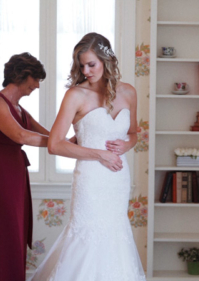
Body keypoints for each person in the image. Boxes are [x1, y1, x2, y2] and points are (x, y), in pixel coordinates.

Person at [28, 33, 146, 281]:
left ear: (106, 60)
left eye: (91, 64)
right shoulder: (76, 95)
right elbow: (55, 144)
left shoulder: (129, 93)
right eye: (82, 65)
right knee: (86, 234)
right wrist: (99, 154)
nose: (86, 70)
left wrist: (125, 145)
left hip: (117, 179)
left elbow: (134, 134)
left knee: (115, 234)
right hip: (91, 181)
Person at [0, 52, 49, 281]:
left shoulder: (20, 109)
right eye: (36, 79)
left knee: (15, 230)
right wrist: (58, 144)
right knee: (4, 230)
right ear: (23, 74)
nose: (38, 86)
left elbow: (48, 135)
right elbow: (21, 135)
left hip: (15, 175)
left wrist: (76, 142)